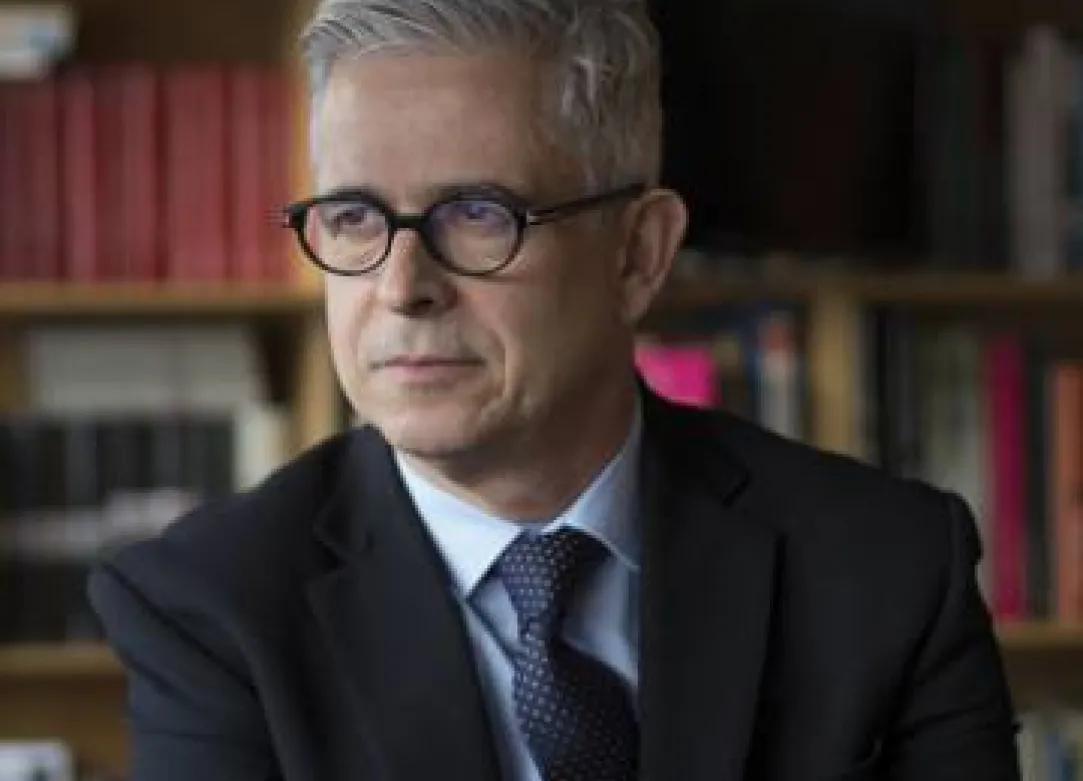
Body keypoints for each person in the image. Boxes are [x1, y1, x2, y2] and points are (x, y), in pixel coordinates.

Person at [88, 1, 1022, 779]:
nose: (401, 286)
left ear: (637, 253)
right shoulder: (210, 605)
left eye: (476, 213)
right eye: (353, 216)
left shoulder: (886, 567)